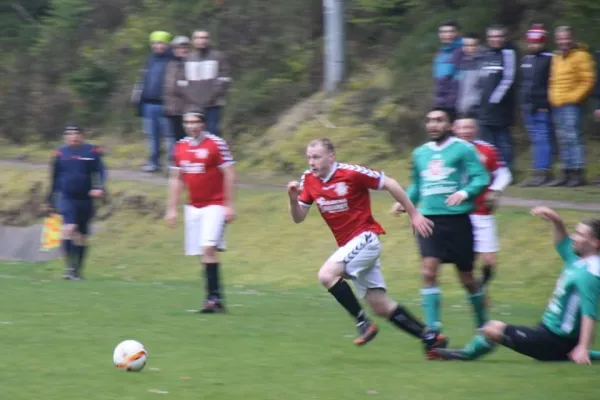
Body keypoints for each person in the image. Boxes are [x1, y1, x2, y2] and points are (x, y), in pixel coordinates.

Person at [287, 138, 448, 353]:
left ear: (331, 157)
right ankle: (430, 337)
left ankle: (363, 323)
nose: (311, 162)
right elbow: (299, 217)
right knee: (379, 304)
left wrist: (414, 213)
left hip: (366, 237)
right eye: (309, 157)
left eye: (316, 157)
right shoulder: (308, 179)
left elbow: (390, 183)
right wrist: (292, 199)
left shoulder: (351, 173)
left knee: (327, 275)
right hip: (350, 246)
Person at [431, 207, 600, 364]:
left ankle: (464, 354)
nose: (574, 238)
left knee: (493, 328)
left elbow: (589, 313)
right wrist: (556, 220)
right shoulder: (577, 260)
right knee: (495, 329)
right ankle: (574, 352)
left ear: (595, 243)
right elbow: (562, 242)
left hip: (556, 340)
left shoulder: (590, 273)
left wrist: (583, 348)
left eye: (580, 235)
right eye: (576, 232)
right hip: (547, 331)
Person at [391, 107, 490, 357]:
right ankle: (434, 334)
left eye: (438, 120)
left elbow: (481, 178)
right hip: (429, 220)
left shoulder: (464, 149)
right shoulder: (420, 153)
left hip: (458, 222)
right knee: (428, 270)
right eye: (429, 120)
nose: (433, 125)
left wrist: (464, 193)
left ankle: (484, 327)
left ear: (450, 125)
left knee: (467, 279)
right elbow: (417, 184)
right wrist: (405, 203)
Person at [165, 111, 236, 313]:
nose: (191, 126)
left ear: (203, 124)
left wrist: (229, 205)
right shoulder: (180, 147)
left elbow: (229, 174)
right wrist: (172, 209)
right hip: (193, 206)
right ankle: (214, 299)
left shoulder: (216, 144)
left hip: (215, 204)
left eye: (195, 122)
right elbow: (176, 179)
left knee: (208, 248)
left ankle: (213, 299)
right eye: (187, 122)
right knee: (203, 254)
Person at [453, 116, 512, 300]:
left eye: (469, 127)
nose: (465, 131)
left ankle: (480, 287)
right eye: (462, 127)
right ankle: (477, 296)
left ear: (475, 129)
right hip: (460, 213)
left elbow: (503, 173)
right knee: (467, 263)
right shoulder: (447, 150)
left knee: (489, 262)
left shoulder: (487, 149)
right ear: (455, 129)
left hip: (482, 212)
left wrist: (495, 190)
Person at [47, 124, 106, 280]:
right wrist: (51, 198)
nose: (73, 137)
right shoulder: (60, 153)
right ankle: (68, 268)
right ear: (65, 136)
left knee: (81, 236)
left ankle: (76, 271)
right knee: (69, 228)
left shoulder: (92, 151)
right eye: (69, 134)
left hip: (86, 200)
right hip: (67, 198)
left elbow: (100, 171)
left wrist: (99, 187)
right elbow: (54, 177)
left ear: (82, 134)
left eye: (76, 133)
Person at [547, 26, 596, 187]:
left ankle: (578, 172)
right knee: (562, 138)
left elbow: (588, 80)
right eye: (560, 39)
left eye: (566, 38)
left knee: (573, 137)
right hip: (557, 103)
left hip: (572, 104)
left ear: (572, 38)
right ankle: (566, 172)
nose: (564, 41)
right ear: (556, 40)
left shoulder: (582, 55)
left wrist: (574, 97)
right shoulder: (556, 57)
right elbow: (553, 80)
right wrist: (552, 96)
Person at [477, 24, 517, 171]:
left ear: (504, 38)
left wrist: (495, 99)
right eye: (492, 36)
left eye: (498, 36)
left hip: (500, 107)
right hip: (484, 107)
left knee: (503, 139)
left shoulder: (508, 53)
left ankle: (507, 169)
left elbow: (508, 79)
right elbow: (481, 79)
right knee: (487, 141)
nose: (495, 39)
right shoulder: (486, 55)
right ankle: (493, 169)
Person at [518, 24, 554, 187]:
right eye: (531, 42)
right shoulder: (526, 59)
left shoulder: (549, 58)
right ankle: (537, 170)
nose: (534, 45)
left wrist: (544, 102)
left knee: (542, 138)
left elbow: (551, 83)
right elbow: (524, 83)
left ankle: (543, 171)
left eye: (537, 42)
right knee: (535, 139)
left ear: (543, 42)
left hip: (541, 105)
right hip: (528, 105)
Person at [184, 30, 232, 136]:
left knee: (213, 134)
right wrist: (190, 98)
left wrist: (213, 95)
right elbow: (183, 82)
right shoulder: (188, 58)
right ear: (193, 41)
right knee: (194, 135)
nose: (201, 41)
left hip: (213, 104)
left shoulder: (218, 56)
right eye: (198, 38)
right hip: (193, 105)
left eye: (204, 38)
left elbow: (225, 79)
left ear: (209, 40)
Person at [139, 30, 174, 173]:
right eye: (155, 43)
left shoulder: (173, 60)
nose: (158, 46)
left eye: (161, 43)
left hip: (167, 104)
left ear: (167, 44)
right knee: (152, 136)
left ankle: (172, 164)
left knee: (169, 136)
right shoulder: (150, 59)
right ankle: (154, 163)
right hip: (149, 104)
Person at [164, 35, 191, 143]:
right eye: (179, 47)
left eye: (185, 47)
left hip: (186, 109)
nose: (182, 50)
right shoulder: (170, 64)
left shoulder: (191, 63)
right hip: (172, 109)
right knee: (176, 139)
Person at [432, 20, 462, 109]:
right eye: (442, 32)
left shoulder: (462, 51)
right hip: (440, 103)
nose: (446, 35)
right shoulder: (440, 53)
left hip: (456, 105)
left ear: (457, 33)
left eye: (450, 32)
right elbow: (438, 82)